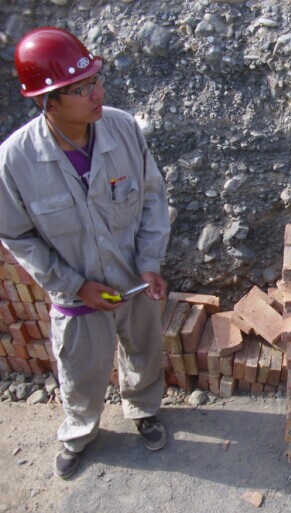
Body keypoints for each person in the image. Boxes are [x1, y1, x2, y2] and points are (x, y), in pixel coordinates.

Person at [0, 27, 171, 479]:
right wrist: (75, 285)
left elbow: (153, 196)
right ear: (48, 102)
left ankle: (144, 410)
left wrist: (149, 263)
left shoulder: (122, 129)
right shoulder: (15, 161)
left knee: (144, 351)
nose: (97, 93)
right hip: (77, 292)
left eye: (95, 80)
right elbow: (17, 235)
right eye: (80, 88)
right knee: (80, 369)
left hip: (132, 277)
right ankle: (79, 432)